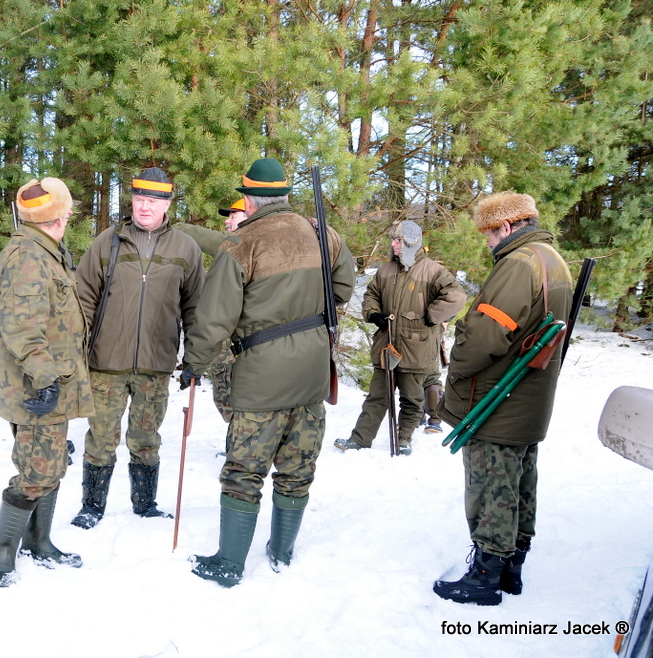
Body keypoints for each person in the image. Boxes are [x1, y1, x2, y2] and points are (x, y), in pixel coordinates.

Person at [181, 157, 356, 587]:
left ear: (248, 199)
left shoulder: (242, 244)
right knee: (297, 469)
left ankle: (229, 564)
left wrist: (194, 364)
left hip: (261, 378)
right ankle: (282, 552)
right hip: (312, 373)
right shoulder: (322, 233)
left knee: (243, 471)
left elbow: (215, 318)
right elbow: (344, 286)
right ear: (284, 194)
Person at [433, 192, 571, 606]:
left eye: (490, 234)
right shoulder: (552, 260)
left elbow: (485, 337)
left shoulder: (518, 264)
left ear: (507, 226)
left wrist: (457, 360)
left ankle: (485, 577)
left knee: (492, 486)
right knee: (520, 483)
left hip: (498, 399)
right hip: (527, 398)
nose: (488, 242)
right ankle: (512, 568)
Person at [72, 167, 204, 529]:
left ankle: (145, 504)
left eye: (154, 200)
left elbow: (196, 308)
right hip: (106, 362)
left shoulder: (186, 248)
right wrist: (76, 348)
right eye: (140, 198)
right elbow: (83, 299)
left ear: (168, 204)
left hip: (155, 364)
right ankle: (92, 505)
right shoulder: (107, 242)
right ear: (132, 199)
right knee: (101, 437)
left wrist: (195, 357)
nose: (145, 207)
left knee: (146, 438)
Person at [0, 177, 95, 587]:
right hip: (37, 387)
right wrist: (47, 381)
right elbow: (22, 329)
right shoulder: (28, 257)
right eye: (68, 211)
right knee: (37, 472)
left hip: (52, 381)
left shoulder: (46, 251)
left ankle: (37, 541)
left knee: (51, 465)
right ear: (61, 215)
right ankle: (1, 552)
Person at [334, 221, 465, 455]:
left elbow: (456, 297)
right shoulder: (386, 270)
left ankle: (404, 438)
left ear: (411, 242)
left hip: (417, 347)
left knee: (412, 399)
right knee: (376, 396)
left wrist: (432, 316)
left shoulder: (433, 271)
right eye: (393, 240)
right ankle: (360, 439)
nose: (393, 244)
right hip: (387, 345)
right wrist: (373, 314)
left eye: (398, 240)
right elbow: (371, 294)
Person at [176, 199, 249, 424]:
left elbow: (214, 319)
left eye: (233, 216)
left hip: (240, 347)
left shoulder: (241, 244)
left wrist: (169, 225)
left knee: (235, 405)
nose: (227, 221)